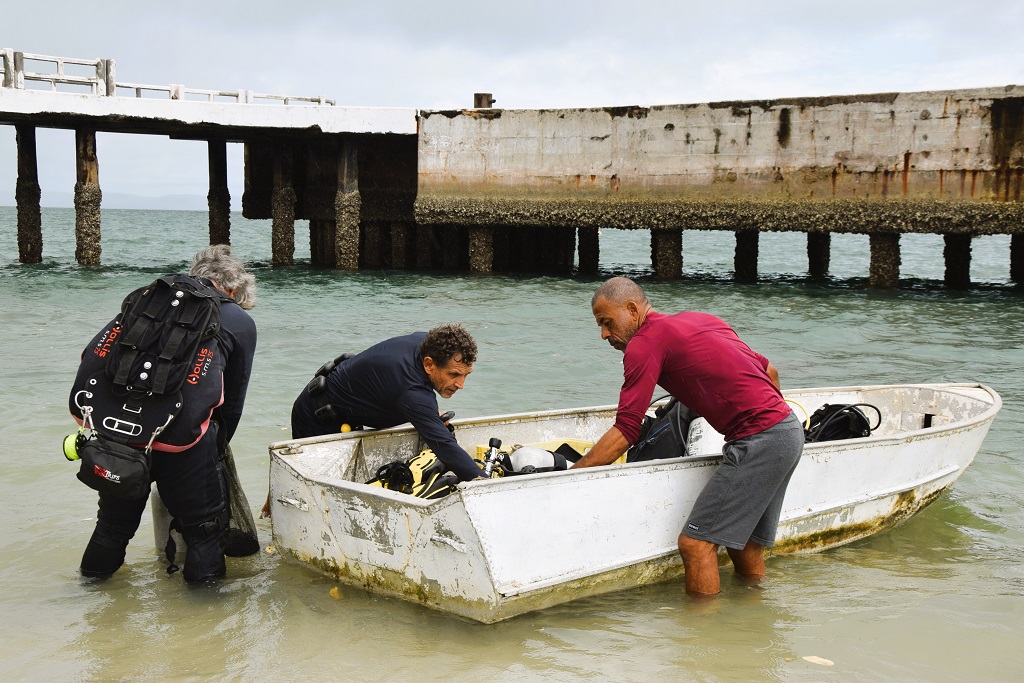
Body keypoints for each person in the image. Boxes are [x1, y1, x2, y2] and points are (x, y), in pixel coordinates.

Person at [571, 277, 803, 595]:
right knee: (743, 542)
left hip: (760, 440)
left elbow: (626, 431)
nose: (604, 335)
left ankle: (700, 641)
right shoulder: (701, 319)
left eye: (606, 323)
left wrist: (572, 477)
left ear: (631, 309)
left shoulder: (643, 345)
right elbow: (770, 372)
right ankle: (752, 622)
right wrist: (772, 424)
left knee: (695, 544)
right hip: (788, 431)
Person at [78, 244, 258, 584]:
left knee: (112, 527)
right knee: (204, 533)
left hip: (121, 437)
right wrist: (214, 451)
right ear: (233, 289)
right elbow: (232, 402)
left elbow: (95, 356)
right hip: (185, 444)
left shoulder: (152, 301)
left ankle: (90, 601)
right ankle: (203, 621)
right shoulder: (237, 319)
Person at [263, 324, 483, 516]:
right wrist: (486, 483)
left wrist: (428, 418)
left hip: (344, 405)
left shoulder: (428, 343)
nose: (460, 384)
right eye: (454, 375)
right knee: (298, 492)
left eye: (466, 375)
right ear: (428, 364)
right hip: (317, 413)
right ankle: (271, 509)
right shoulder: (412, 392)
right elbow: (445, 446)